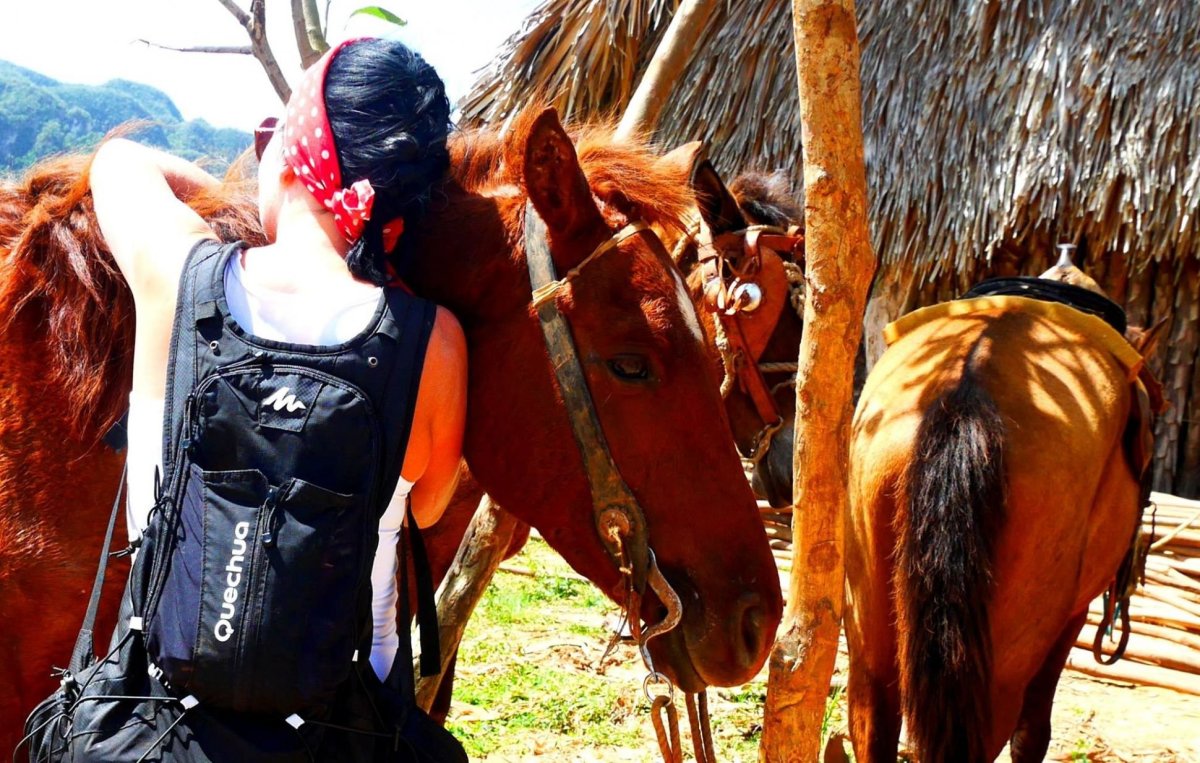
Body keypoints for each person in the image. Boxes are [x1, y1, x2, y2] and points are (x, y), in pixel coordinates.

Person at [79, 37, 468, 760]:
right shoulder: (433, 342)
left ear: (288, 154)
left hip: (163, 733)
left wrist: (233, 207)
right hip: (338, 737)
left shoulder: (179, 274)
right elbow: (427, 507)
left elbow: (118, 161)